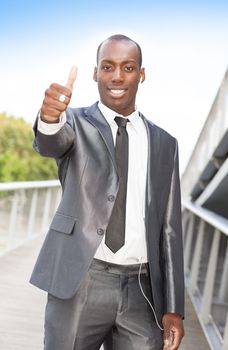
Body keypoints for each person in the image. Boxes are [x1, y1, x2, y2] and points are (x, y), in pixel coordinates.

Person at [30, 34, 185, 350]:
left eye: (128, 67)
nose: (117, 76)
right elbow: (51, 143)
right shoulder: (73, 122)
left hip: (143, 292)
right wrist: (49, 117)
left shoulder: (165, 143)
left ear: (141, 74)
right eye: (107, 67)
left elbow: (170, 230)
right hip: (82, 280)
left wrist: (174, 307)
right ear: (95, 73)